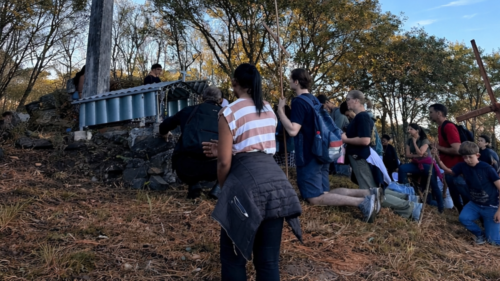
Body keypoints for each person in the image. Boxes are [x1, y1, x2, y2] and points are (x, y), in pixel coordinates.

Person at [208, 63, 303, 281]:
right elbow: (257, 145)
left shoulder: (228, 112)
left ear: (234, 84)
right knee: (268, 261)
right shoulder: (269, 109)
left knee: (233, 258)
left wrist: (226, 191)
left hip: (246, 185)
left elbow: (223, 162)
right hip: (276, 183)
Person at [277, 70, 377, 222]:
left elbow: (292, 130)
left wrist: (280, 111)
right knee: (324, 192)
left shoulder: (299, 102)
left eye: (291, 79)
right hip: (323, 151)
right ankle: (368, 193)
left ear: (296, 82)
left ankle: (362, 202)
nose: (290, 82)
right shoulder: (315, 100)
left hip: (308, 155)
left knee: (314, 198)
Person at [448, 142, 500, 248]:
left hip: (492, 207)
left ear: (477, 156)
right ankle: (481, 235)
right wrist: (437, 160)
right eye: (465, 157)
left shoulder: (487, 169)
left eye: (470, 157)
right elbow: (450, 172)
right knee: (464, 218)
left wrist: (499, 211)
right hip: (475, 203)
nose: (467, 160)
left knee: (494, 241)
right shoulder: (465, 167)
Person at [159, 86, 223, 199]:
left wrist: (164, 133)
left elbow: (165, 125)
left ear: (202, 97)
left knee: (181, 152)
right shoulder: (227, 115)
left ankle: (193, 185)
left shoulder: (188, 110)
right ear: (220, 100)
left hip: (187, 167)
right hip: (216, 168)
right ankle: (218, 188)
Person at [396, 123, 444, 213]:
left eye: (411, 129)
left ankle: (441, 207)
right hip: (416, 163)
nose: (409, 131)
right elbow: (407, 155)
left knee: (434, 186)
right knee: (402, 168)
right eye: (408, 129)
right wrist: (417, 155)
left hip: (427, 164)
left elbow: (421, 153)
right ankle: (405, 191)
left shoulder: (424, 140)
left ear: (417, 131)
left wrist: (414, 143)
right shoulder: (409, 140)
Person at [428, 103, 467, 209]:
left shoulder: (448, 127)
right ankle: (463, 220)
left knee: (465, 197)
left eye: (431, 112)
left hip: (456, 169)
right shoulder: (441, 128)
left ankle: (473, 221)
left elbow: (458, 150)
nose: (429, 115)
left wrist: (438, 147)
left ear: (439, 113)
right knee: (456, 199)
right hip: (449, 169)